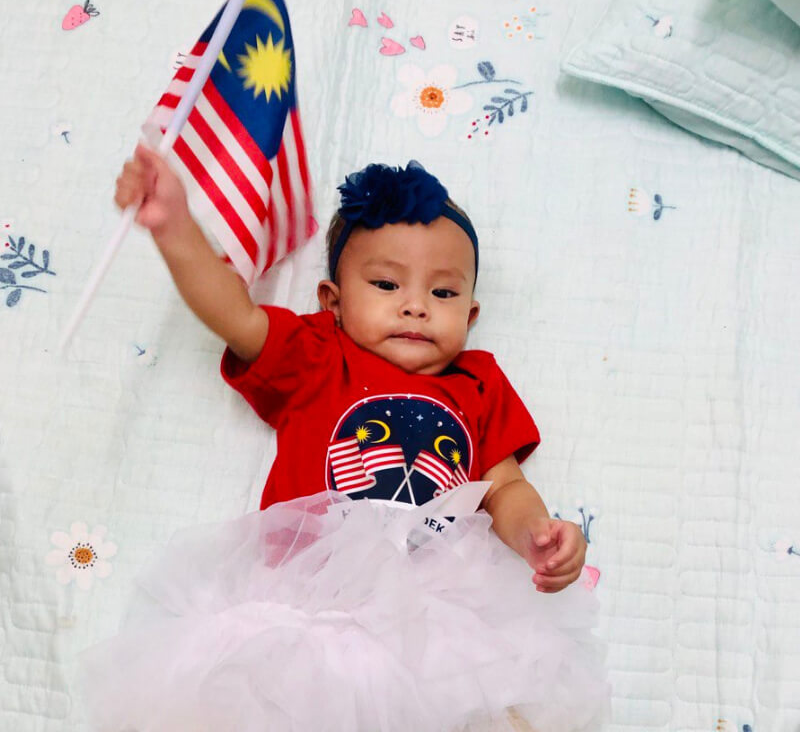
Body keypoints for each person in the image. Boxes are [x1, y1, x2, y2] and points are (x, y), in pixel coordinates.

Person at [82, 145, 607, 732]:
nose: (415, 306)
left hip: (437, 607)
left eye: (443, 293)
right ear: (331, 301)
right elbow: (234, 314)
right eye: (386, 283)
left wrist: (535, 532)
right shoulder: (317, 356)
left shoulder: (478, 382)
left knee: (496, 707)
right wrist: (176, 227)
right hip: (312, 602)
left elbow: (504, 485)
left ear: (473, 312)